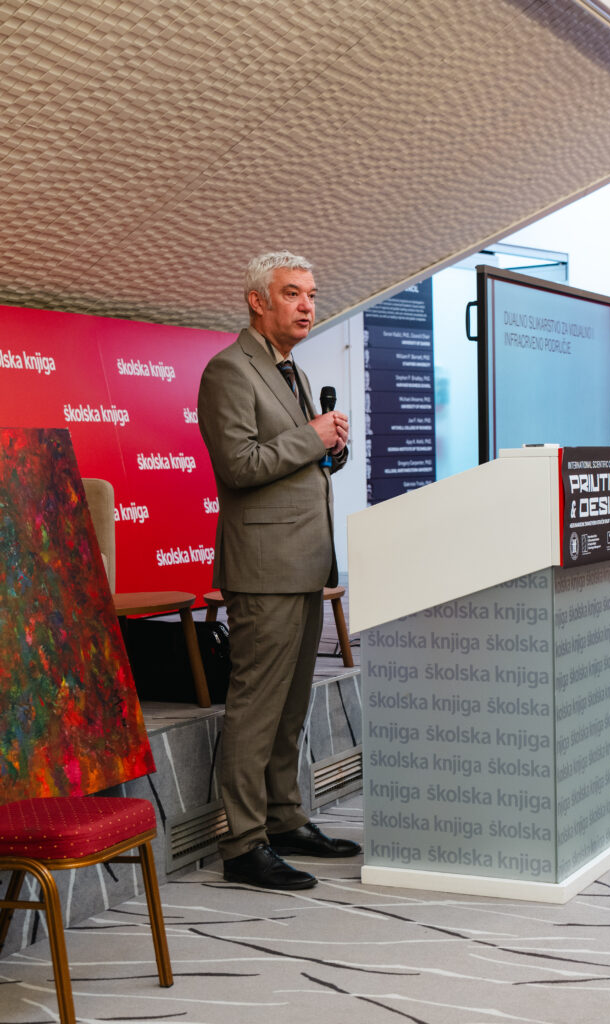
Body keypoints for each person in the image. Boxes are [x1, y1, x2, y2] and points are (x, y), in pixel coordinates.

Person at [198, 250, 360, 890]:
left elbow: (292, 462)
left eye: (311, 294)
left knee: (291, 707)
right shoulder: (228, 370)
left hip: (304, 563)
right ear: (257, 301)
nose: (307, 305)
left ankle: (284, 819)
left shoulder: (290, 368)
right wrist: (311, 438)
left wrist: (329, 450)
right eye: (292, 293)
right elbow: (238, 465)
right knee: (256, 709)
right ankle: (243, 843)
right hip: (264, 568)